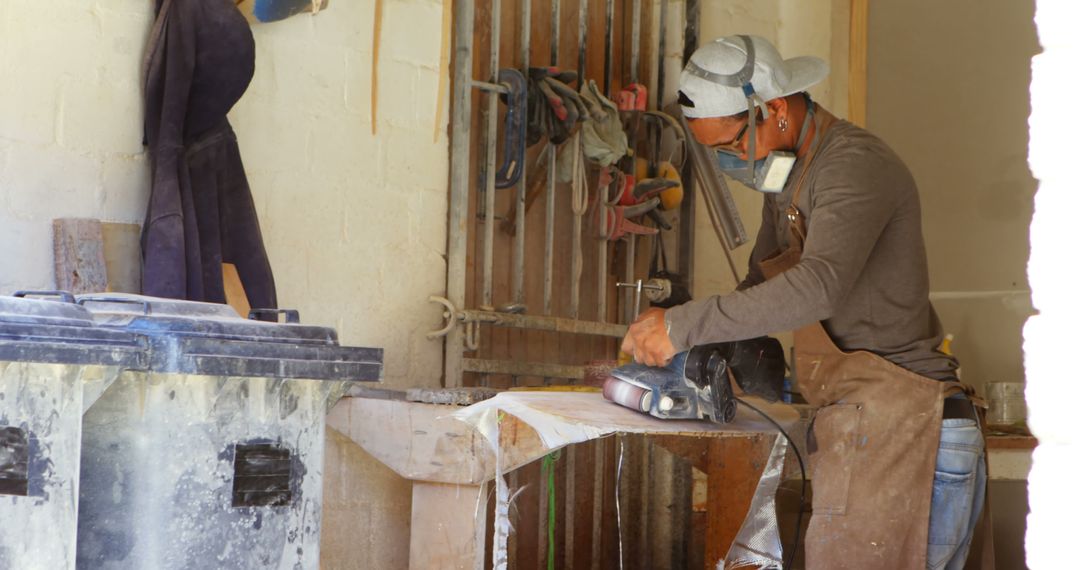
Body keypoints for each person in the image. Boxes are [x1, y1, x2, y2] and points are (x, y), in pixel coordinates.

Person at [620, 35, 990, 570]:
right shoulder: (788, 181)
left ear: (774, 110)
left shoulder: (854, 166)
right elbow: (758, 293)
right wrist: (684, 358)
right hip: (864, 423)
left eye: (729, 146)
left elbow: (818, 287)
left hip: (909, 427)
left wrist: (680, 325)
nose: (728, 161)